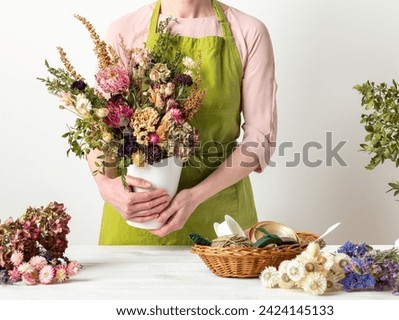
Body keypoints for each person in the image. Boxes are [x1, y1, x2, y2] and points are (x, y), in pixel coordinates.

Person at [87, 0, 277, 245]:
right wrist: (106, 185)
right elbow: (100, 128)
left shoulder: (249, 32)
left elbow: (259, 139)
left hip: (222, 226)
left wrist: (196, 196)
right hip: (136, 220)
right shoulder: (125, 30)